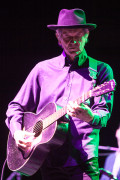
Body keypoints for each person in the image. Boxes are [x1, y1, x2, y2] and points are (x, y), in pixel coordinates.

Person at [5, 8, 114, 180]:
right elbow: (15, 106)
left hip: (84, 159)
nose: (74, 42)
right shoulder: (42, 69)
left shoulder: (100, 70)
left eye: (78, 36)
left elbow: (104, 115)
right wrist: (17, 132)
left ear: (87, 36)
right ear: (58, 37)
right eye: (67, 37)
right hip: (47, 158)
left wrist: (89, 116)